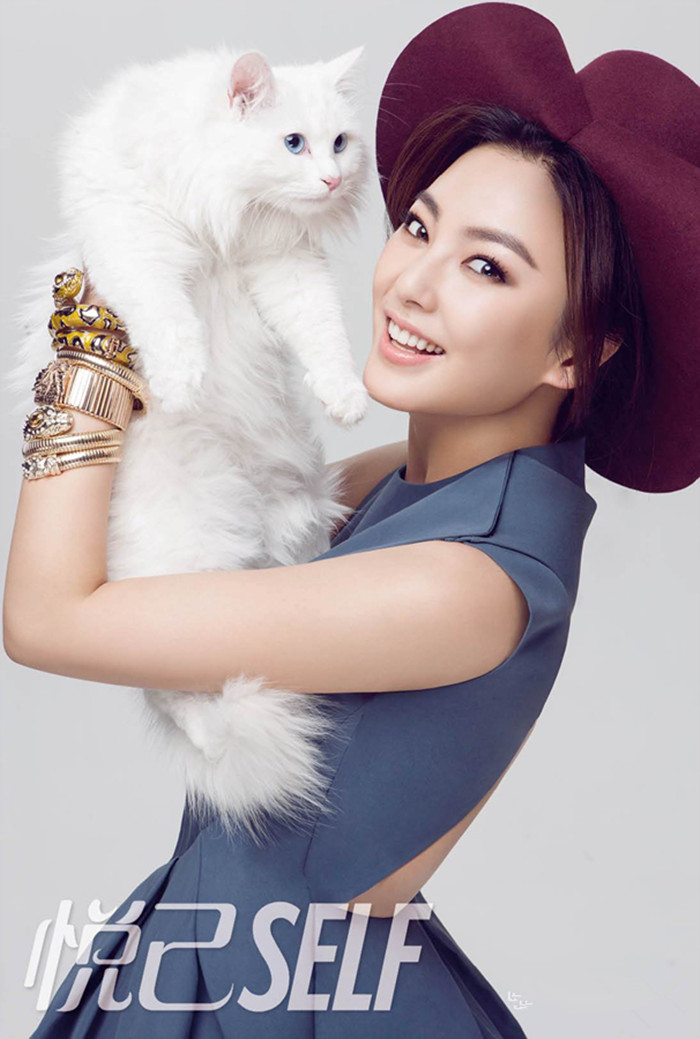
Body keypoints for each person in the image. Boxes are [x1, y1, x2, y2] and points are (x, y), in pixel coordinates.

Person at [4, 4, 699, 1036]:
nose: (410, 283)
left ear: (574, 351)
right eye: (419, 226)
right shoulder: (421, 488)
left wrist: (88, 323)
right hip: (219, 963)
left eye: (486, 266)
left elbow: (49, 617)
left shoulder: (465, 578)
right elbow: (189, 504)